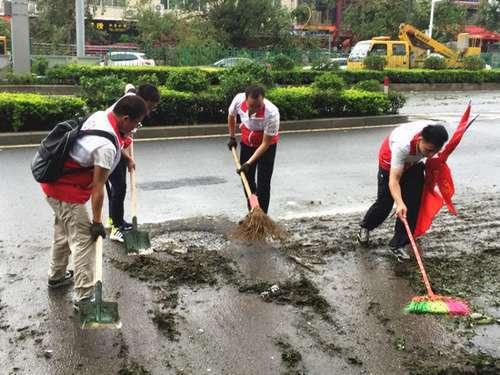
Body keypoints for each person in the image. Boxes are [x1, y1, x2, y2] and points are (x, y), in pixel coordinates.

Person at [41, 95, 147, 309]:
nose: (137, 127)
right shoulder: (106, 147)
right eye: (136, 123)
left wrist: (125, 157)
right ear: (126, 118)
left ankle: (57, 276)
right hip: (66, 191)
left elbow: (104, 142)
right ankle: (84, 296)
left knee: (63, 231)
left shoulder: (103, 116)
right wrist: (97, 223)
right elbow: (98, 188)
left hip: (53, 183)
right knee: (84, 239)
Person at [357, 123, 449, 260]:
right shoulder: (402, 146)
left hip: (413, 164)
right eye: (428, 150)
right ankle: (365, 227)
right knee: (385, 203)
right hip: (390, 165)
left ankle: (398, 244)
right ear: (420, 140)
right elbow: (394, 180)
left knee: (412, 204)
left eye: (435, 151)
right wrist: (399, 203)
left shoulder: (433, 137)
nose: (431, 155)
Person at [105, 83, 160, 243]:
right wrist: (128, 158)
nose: (149, 111)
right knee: (119, 188)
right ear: (142, 100)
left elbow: (128, 86)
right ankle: (116, 227)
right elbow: (116, 142)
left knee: (118, 188)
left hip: (117, 144)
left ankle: (117, 220)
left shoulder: (132, 99)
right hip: (110, 147)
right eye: (149, 106)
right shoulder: (129, 109)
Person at [227, 85, 280, 214]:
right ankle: (253, 213)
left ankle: (262, 216)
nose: (255, 109)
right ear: (245, 99)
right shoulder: (239, 100)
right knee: (247, 179)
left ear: (263, 100)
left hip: (266, 147)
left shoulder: (272, 113)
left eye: (258, 106)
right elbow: (231, 116)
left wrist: (248, 163)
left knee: (263, 183)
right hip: (247, 142)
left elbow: (265, 143)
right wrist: (232, 137)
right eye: (252, 106)